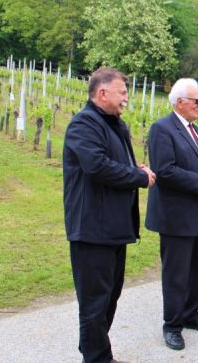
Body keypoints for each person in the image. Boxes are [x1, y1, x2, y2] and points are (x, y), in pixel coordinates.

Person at [63, 67, 156, 363]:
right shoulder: (84, 124)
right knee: (95, 303)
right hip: (92, 230)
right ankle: (97, 358)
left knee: (109, 298)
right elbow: (97, 166)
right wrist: (138, 177)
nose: (126, 98)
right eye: (122, 92)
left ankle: (97, 352)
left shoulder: (113, 124)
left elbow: (112, 162)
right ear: (102, 93)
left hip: (114, 227)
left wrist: (134, 168)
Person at [145, 78, 198, 351]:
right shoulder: (162, 129)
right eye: (196, 101)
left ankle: (191, 314)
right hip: (176, 216)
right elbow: (165, 170)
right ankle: (172, 325)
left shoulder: (197, 131)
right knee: (176, 275)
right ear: (179, 102)